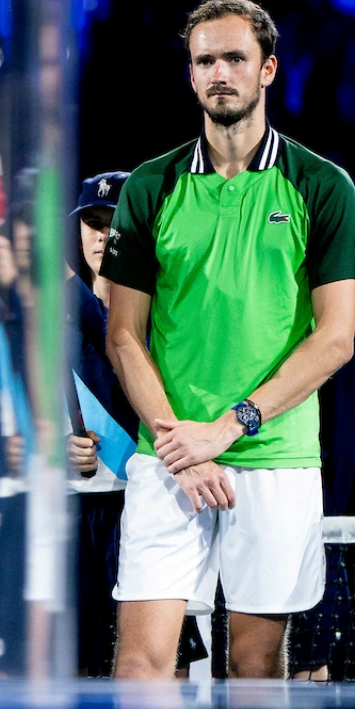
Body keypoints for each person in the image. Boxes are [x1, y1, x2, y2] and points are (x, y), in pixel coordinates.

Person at [102, 0, 355, 679]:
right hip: (168, 460)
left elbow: (336, 338)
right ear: (191, 76)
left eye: (233, 58)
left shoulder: (323, 186)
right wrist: (183, 447)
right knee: (139, 664)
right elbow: (125, 336)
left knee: (256, 668)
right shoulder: (147, 189)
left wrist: (226, 427)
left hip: (276, 458)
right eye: (204, 61)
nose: (218, 72)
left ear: (268, 69)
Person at [60, 170, 208, 678]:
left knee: (166, 660)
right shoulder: (52, 320)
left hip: (153, 502)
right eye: (92, 224)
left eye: (114, 223)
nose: (102, 236)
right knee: (81, 665)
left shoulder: (166, 315)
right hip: (80, 514)